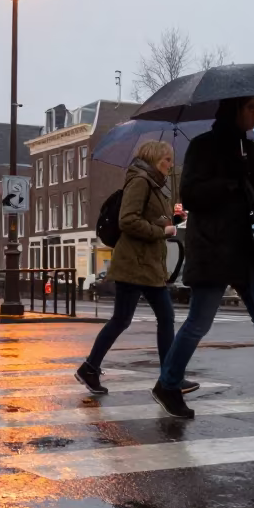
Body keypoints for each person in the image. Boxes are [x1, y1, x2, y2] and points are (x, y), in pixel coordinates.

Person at [150, 96, 254, 421]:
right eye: (252, 107)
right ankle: (168, 384)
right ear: (236, 110)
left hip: (249, 249)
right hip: (215, 249)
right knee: (200, 321)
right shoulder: (203, 147)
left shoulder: (250, 149)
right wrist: (230, 181)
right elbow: (191, 195)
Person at [76, 140, 196, 396]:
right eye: (166, 160)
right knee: (150, 318)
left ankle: (91, 368)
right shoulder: (140, 181)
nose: (169, 164)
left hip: (147, 265)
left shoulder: (153, 186)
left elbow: (151, 218)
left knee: (131, 319)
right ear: (154, 159)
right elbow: (128, 220)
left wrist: (174, 219)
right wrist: (163, 230)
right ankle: (168, 378)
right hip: (136, 264)